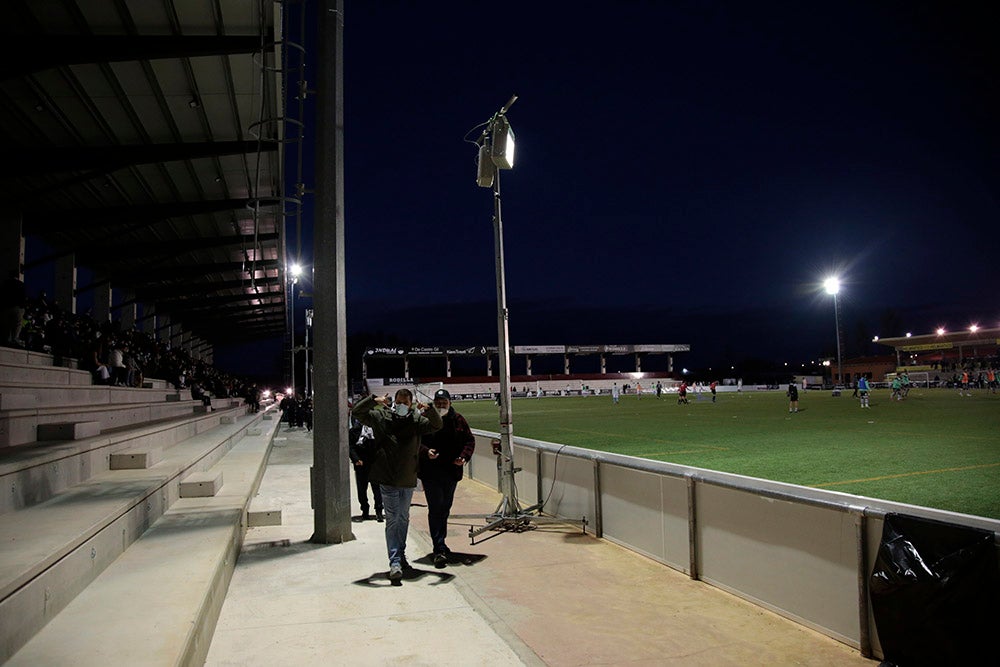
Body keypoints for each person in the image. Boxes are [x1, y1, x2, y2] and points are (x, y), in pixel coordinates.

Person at [352, 389, 442, 582]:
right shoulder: (381, 417)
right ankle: (394, 561)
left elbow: (436, 424)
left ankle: (400, 554)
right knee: (393, 519)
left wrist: (430, 409)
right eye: (399, 402)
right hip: (388, 478)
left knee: (403, 518)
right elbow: (358, 412)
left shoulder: (417, 421)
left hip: (408, 479)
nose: (401, 405)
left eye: (405, 403)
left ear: (410, 403)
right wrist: (373, 400)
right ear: (394, 402)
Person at [419, 389, 475, 567]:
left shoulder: (458, 419)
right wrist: (426, 451)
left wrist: (464, 457)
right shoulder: (425, 419)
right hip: (431, 473)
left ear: (449, 402)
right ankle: (439, 548)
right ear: (434, 403)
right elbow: (415, 441)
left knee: (444, 509)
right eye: (438, 402)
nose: (441, 405)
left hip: (451, 473)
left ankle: (440, 542)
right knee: (436, 509)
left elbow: (469, 441)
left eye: (444, 402)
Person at [349, 421, 383, 522]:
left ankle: (379, 510)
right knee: (362, 490)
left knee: (377, 489)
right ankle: (365, 509)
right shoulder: (354, 431)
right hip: (361, 464)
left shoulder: (376, 429)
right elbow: (351, 447)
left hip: (374, 464)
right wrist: (356, 459)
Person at [1, 270, 27, 348]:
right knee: (17, 324)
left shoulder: (5, 283)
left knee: (7, 324)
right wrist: (23, 307)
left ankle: (7, 340)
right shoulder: (21, 284)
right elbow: (23, 296)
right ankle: (14, 340)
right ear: (17, 276)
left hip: (6, 307)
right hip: (17, 307)